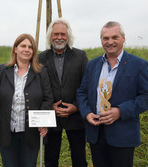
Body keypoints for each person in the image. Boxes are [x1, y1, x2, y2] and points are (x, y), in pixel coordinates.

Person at [76, 21, 148, 167]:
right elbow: (82, 92)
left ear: (123, 39)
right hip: (96, 133)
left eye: (115, 37)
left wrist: (120, 111)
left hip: (123, 135)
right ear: (101, 40)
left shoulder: (139, 65)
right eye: (105, 38)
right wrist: (87, 113)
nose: (110, 42)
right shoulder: (92, 65)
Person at [0, 33, 53, 167]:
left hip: (32, 133)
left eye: (30, 47)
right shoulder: (1, 70)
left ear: (34, 51)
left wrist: (44, 122)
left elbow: (48, 98)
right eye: (23, 45)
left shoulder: (41, 72)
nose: (27, 49)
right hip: (6, 132)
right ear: (15, 48)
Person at [39, 18, 88, 167]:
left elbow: (86, 86)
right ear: (50, 36)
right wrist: (49, 107)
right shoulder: (40, 58)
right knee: (50, 159)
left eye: (63, 34)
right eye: (56, 34)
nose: (59, 37)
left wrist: (76, 106)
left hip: (76, 116)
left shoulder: (80, 56)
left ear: (68, 36)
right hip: (51, 117)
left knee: (79, 159)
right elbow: (38, 87)